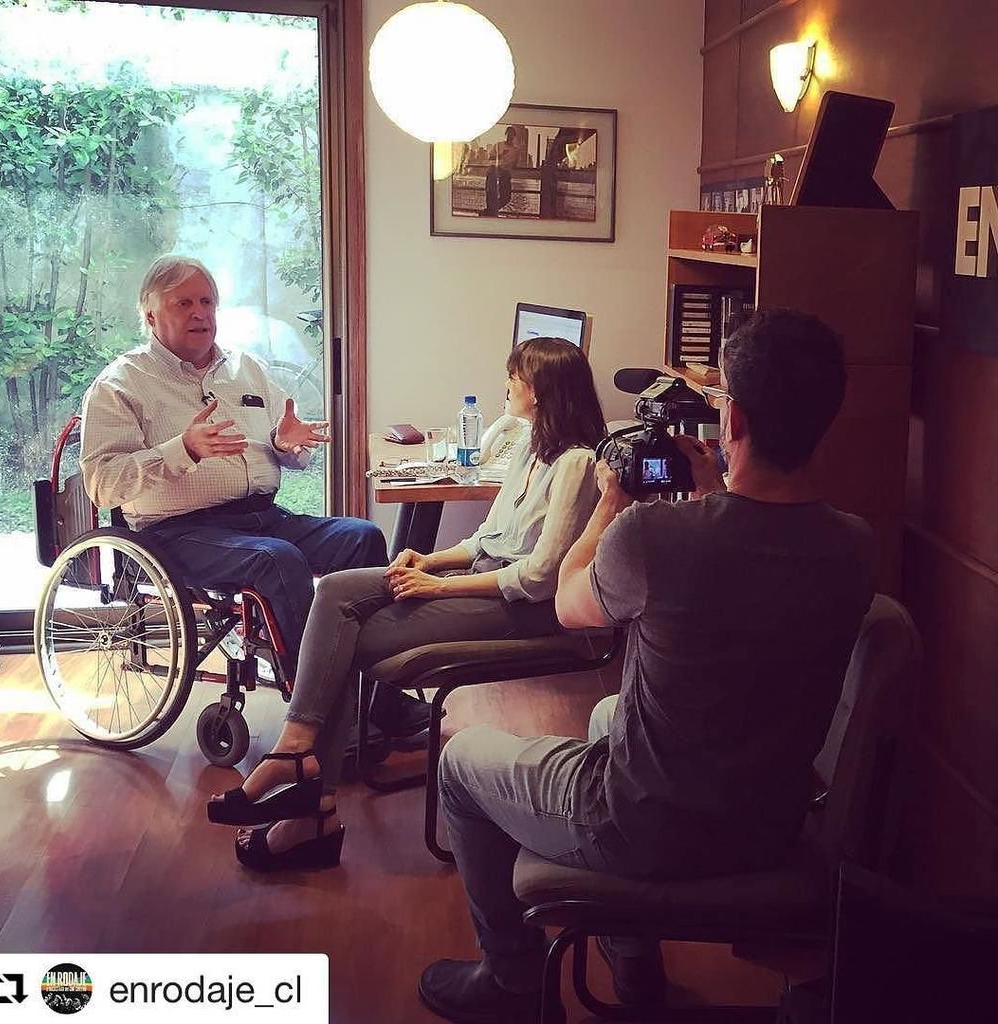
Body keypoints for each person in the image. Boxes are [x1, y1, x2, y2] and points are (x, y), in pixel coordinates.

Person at [415, 308, 876, 1024]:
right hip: (769, 823)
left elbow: (569, 602)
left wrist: (609, 505)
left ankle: (509, 981)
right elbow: (754, 566)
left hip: (640, 825)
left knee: (460, 760)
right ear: (827, 419)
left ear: (732, 419)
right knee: (608, 712)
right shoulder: (855, 546)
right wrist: (714, 497)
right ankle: (631, 964)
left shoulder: (651, 534)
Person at [205, 336, 608, 874]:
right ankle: (297, 750)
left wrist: (440, 588)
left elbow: (538, 578)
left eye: (514, 377)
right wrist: (431, 560)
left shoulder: (577, 464)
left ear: (538, 390)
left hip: (522, 606)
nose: (507, 385)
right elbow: (487, 538)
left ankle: (311, 808)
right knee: (335, 590)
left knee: (345, 643)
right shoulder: (533, 448)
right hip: (482, 578)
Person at [79, 256, 424, 734]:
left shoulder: (247, 369)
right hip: (176, 532)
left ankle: (378, 693)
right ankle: (325, 710)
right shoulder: (120, 384)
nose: (200, 313)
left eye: (207, 301)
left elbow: (287, 448)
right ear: (150, 315)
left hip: (262, 517)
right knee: (276, 560)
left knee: (361, 537)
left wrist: (287, 444)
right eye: (184, 303)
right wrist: (183, 450)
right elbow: (102, 483)